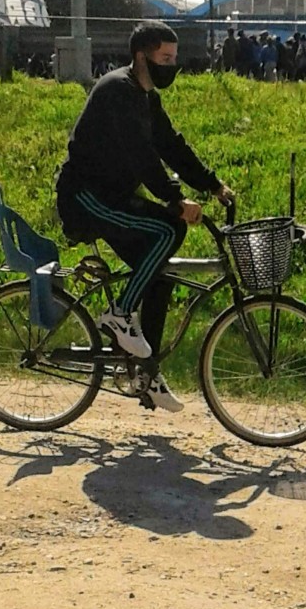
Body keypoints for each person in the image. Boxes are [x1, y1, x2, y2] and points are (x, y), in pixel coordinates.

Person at [55, 20, 234, 412]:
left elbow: (170, 145)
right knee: (167, 230)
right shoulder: (119, 91)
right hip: (85, 196)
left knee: (160, 276)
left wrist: (212, 184)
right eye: (165, 58)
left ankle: (144, 374)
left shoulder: (145, 96)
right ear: (142, 56)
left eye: (174, 58)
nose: (172, 66)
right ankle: (118, 315)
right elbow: (142, 156)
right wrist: (175, 201)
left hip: (114, 195)